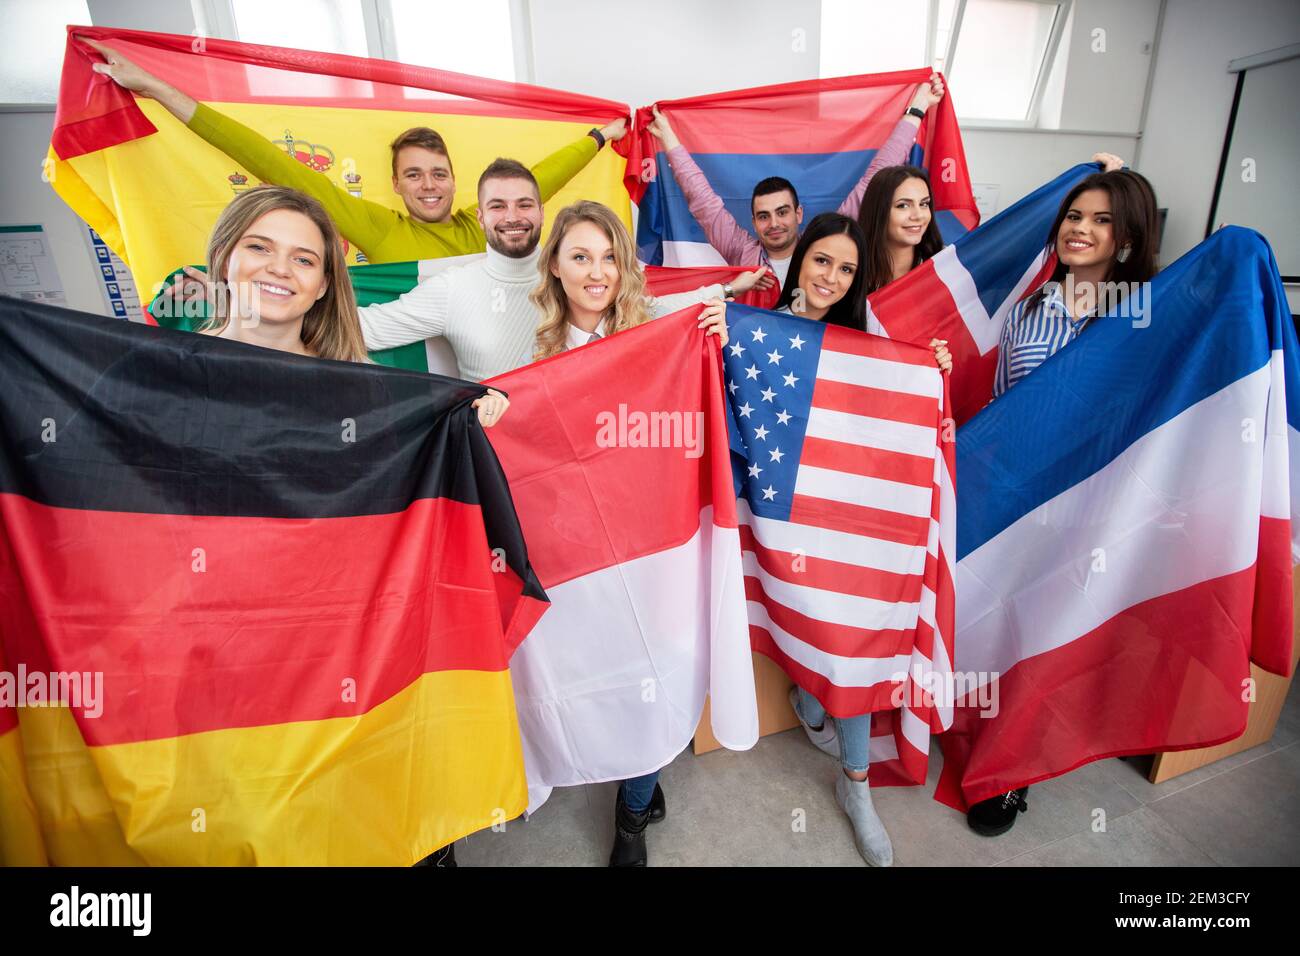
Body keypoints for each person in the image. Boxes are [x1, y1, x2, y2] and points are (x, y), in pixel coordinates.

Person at [522, 200, 731, 866]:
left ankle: (634, 811)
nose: (597, 272)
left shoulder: (662, 335)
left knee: (661, 671)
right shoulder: (532, 356)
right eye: (580, 256)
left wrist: (721, 333)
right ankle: (611, 771)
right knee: (598, 670)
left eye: (610, 256)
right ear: (554, 266)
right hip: (581, 555)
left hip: (657, 547)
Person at [968, 166, 1160, 837]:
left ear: (1128, 237)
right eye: (1075, 216)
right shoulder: (1028, 308)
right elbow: (1000, 405)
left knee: (1053, 638)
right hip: (1016, 504)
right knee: (1007, 628)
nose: (1081, 229)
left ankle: (1012, 774)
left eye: (1102, 220)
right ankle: (986, 738)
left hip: (1089, 510)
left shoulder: (1146, 314)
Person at [83, 37, 627, 269]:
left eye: (438, 173)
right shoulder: (379, 228)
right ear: (396, 184)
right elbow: (272, 163)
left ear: (455, 179)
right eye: (414, 174)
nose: (429, 184)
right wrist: (159, 89)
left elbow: (541, 178)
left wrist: (602, 137)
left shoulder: (481, 223)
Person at [758, 212, 948, 867]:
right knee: (804, 634)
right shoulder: (758, 325)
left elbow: (894, 413)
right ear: (799, 260)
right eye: (821, 262)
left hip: (840, 521)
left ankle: (857, 787)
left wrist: (929, 370)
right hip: (774, 511)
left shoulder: (863, 338)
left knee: (848, 646)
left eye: (845, 269)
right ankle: (811, 699)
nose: (831, 278)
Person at [190, 183, 508, 430]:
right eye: (259, 248)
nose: (280, 268)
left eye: (303, 259)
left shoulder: (362, 386)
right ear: (223, 258)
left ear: (323, 285)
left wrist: (465, 417)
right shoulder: (170, 370)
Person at [645, 74, 946, 285]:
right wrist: (669, 138)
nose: (774, 223)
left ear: (799, 213)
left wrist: (917, 109)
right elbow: (703, 202)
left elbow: (874, 178)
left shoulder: (827, 241)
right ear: (752, 222)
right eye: (764, 216)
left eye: (782, 212)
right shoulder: (742, 251)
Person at [857, 153, 1129, 294]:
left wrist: (1098, 182)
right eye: (903, 205)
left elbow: (1027, 235)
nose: (918, 215)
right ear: (880, 211)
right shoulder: (852, 271)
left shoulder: (948, 268)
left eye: (925, 204)